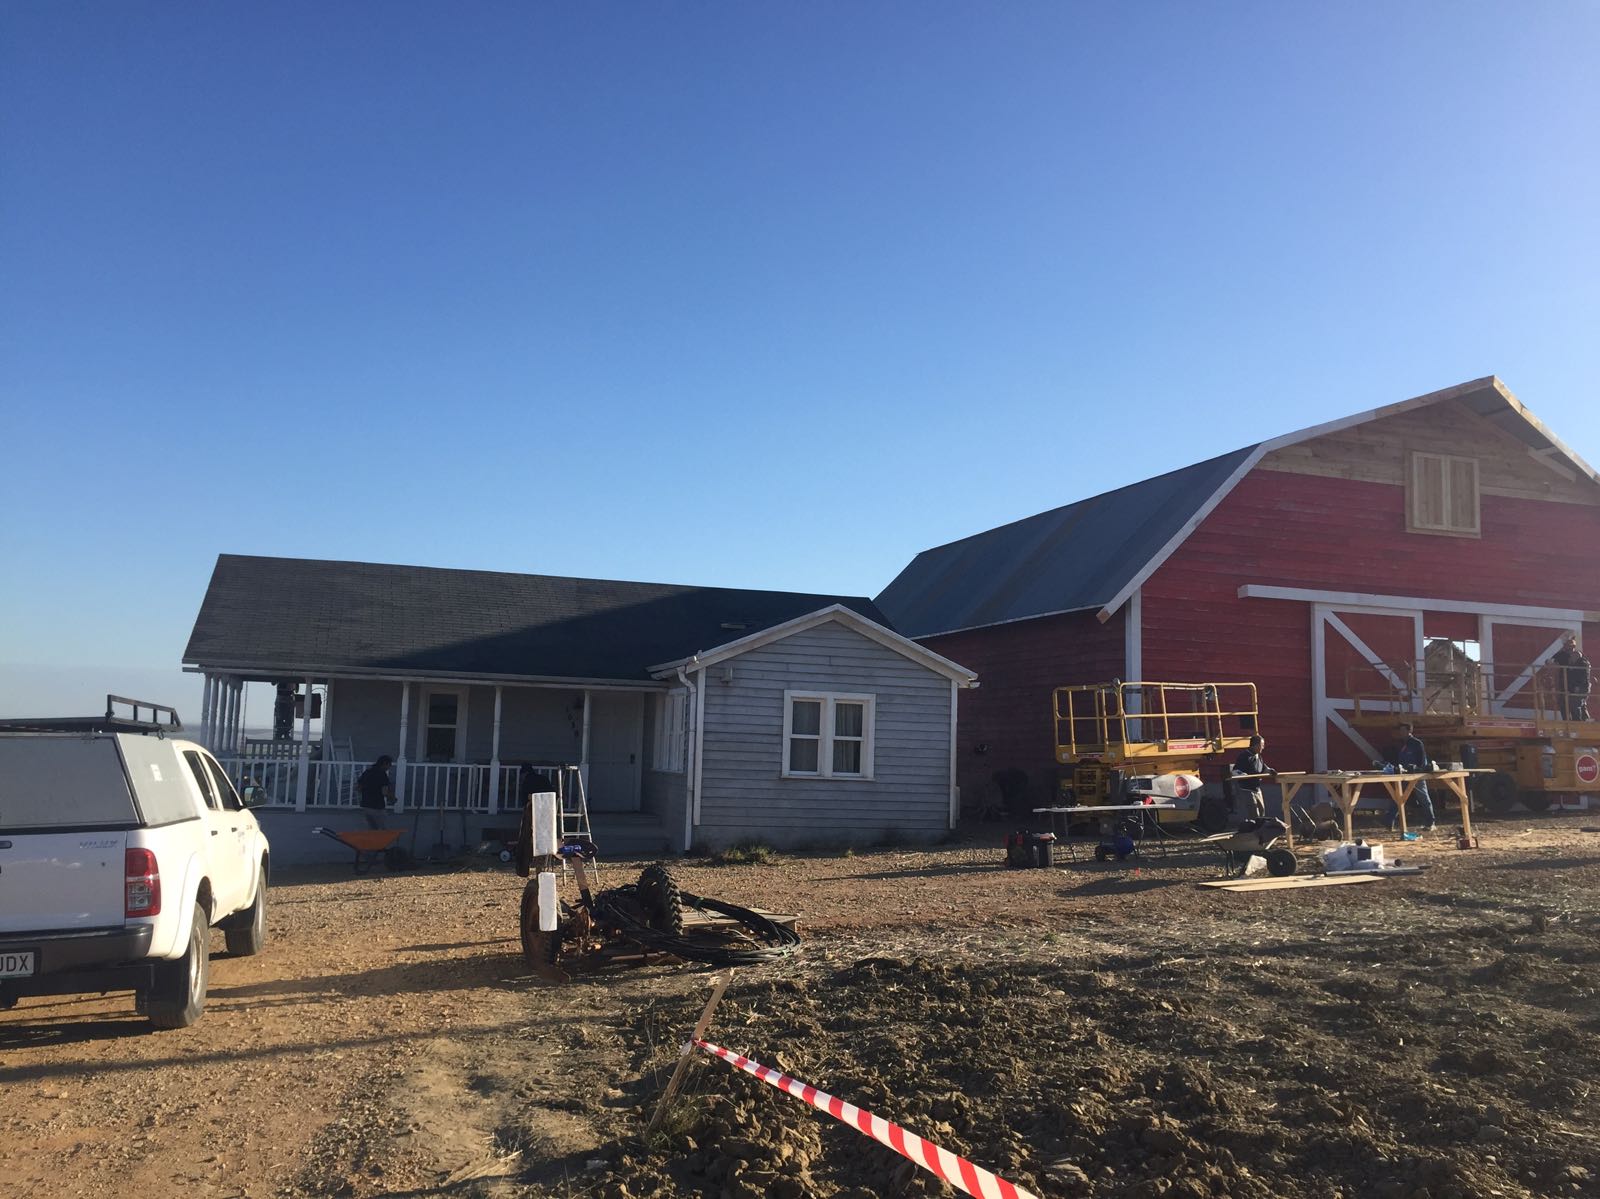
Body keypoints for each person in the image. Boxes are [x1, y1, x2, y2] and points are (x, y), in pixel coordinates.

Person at [1390, 723, 1436, 832]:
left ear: (1409, 731)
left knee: (1424, 799)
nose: (1401, 733)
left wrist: (1418, 770)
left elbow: (1422, 760)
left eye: (1403, 730)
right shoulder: (1401, 744)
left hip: (1417, 776)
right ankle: (1388, 822)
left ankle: (1430, 823)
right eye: (1400, 730)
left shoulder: (1417, 743)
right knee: (1398, 798)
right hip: (1404, 775)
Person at [1230, 734, 1277, 820]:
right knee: (1254, 814)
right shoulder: (1244, 756)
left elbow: (1263, 768)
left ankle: (1261, 827)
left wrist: (1270, 771)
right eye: (1262, 745)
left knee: (1262, 812)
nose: (1263, 747)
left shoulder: (1258, 756)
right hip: (1247, 789)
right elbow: (1235, 771)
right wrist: (1244, 775)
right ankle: (1254, 828)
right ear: (1255, 745)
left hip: (1257, 789)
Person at [1551, 635, 1592, 721]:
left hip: (1577, 687)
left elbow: (1583, 676)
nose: (1570, 648)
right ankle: (1568, 722)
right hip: (1566, 685)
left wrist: (1577, 686)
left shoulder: (1581, 662)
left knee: (1576, 705)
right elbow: (1551, 663)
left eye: (1571, 646)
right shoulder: (1561, 655)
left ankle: (1579, 723)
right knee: (1564, 704)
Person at [356, 755, 396, 829]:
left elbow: (358, 788)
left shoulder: (367, 772)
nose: (389, 767)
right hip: (377, 807)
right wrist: (392, 798)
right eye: (389, 765)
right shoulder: (382, 775)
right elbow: (384, 792)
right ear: (384, 763)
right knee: (382, 829)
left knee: (372, 829)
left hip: (366, 805)